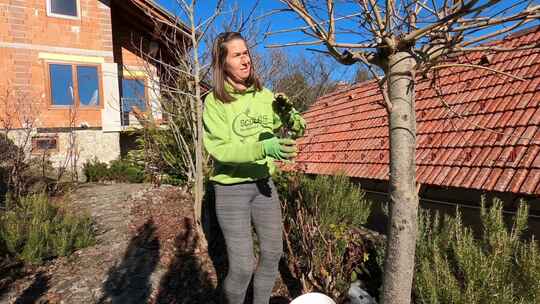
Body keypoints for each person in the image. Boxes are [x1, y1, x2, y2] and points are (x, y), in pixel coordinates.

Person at [203, 31, 306, 304]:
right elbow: (220, 150)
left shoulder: (264, 95)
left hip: (263, 185)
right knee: (242, 267)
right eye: (237, 55)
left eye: (246, 53)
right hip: (230, 189)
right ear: (222, 62)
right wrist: (263, 148)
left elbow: (297, 129)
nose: (245, 60)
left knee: (273, 254)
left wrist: (291, 117)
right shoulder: (214, 102)